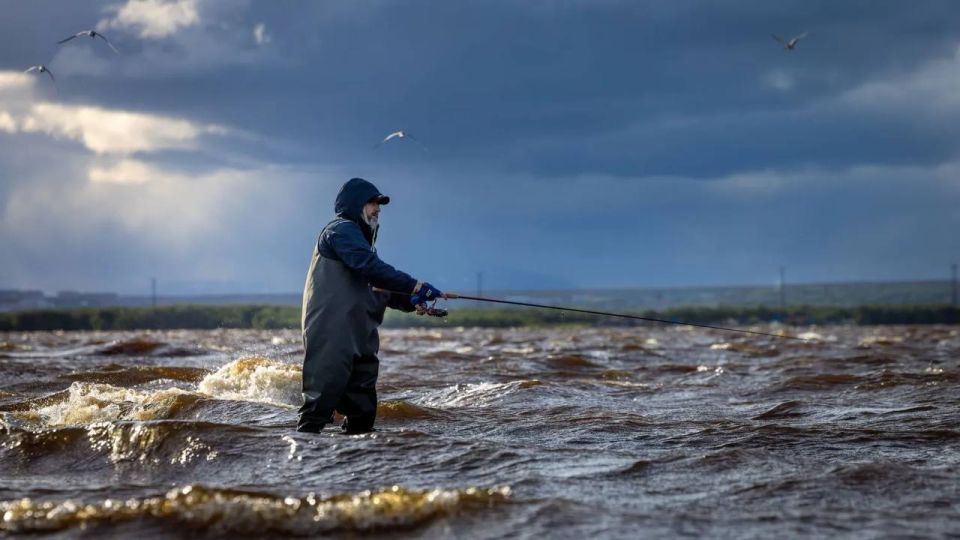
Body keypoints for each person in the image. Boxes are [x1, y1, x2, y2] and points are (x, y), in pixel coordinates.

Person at [298, 177, 443, 433]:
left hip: (361, 338)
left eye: (379, 204)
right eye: (372, 202)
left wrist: (412, 301)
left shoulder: (364, 249)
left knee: (363, 413)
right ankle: (302, 467)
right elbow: (370, 268)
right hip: (332, 334)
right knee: (318, 408)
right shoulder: (339, 231)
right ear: (355, 204)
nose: (378, 209)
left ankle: (357, 467)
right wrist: (416, 285)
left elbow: (379, 287)